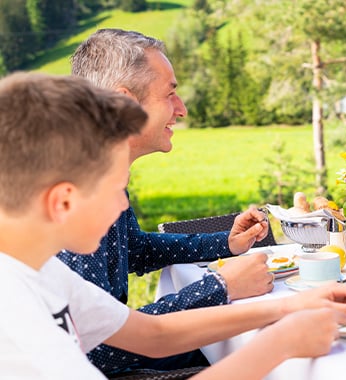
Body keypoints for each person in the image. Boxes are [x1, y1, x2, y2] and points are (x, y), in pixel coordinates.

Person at [0, 72, 346, 379]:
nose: (123, 206)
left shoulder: (40, 270)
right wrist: (278, 343)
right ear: (62, 202)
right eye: (117, 189)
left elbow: (154, 335)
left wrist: (293, 306)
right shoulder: (16, 325)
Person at [56, 28, 272, 373]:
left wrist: (224, 243)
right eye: (170, 94)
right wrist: (221, 287)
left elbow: (134, 250)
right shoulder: (75, 193)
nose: (182, 109)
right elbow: (98, 348)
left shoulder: (95, 169)